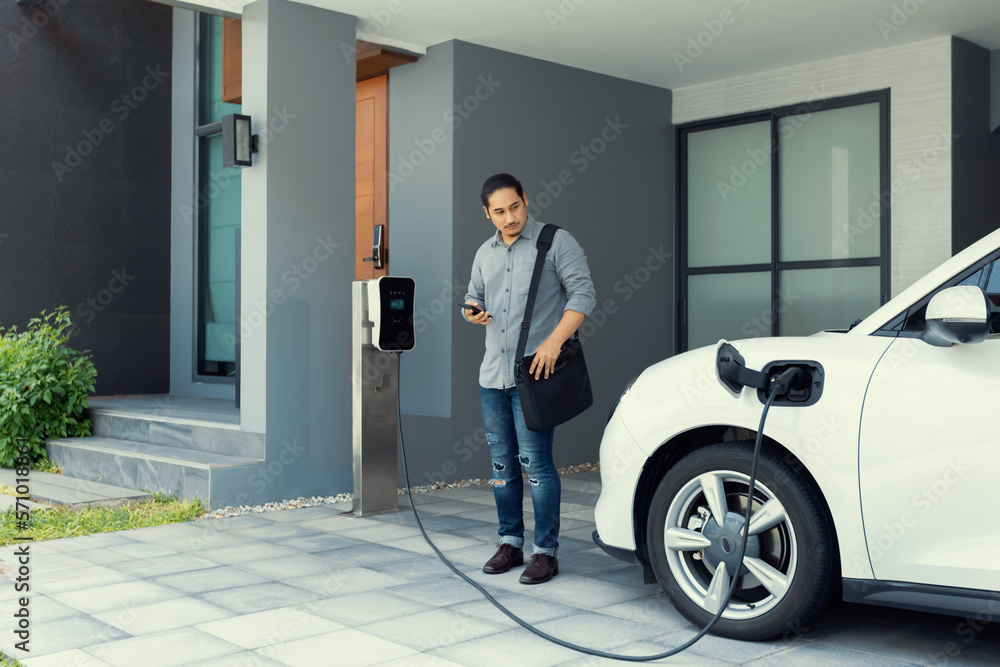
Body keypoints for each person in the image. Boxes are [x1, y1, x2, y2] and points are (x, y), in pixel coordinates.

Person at [463, 173, 596, 584]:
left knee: (536, 465)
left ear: (526, 199)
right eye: (499, 211)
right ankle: (510, 543)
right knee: (502, 466)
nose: (510, 217)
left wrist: (554, 342)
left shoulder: (556, 241)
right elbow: (473, 295)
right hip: (492, 376)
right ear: (487, 213)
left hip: (534, 375)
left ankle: (545, 551)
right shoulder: (484, 253)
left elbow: (583, 295)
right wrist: (471, 310)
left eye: (515, 207)